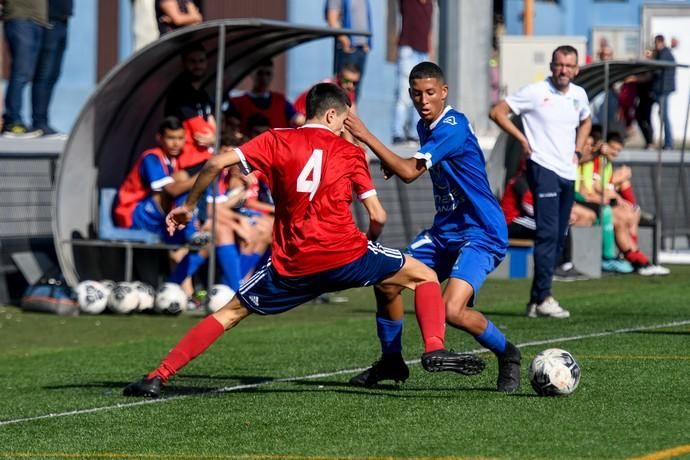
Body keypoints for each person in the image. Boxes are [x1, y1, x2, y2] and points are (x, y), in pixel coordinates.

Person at [123, 83, 485, 398]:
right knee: (422, 275)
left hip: (291, 263)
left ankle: (158, 377)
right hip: (348, 256)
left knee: (230, 312)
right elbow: (378, 215)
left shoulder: (276, 139)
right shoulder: (351, 153)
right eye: (345, 119)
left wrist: (187, 207)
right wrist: (368, 251)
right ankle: (434, 347)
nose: (347, 125)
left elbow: (216, 163)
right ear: (331, 115)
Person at [344, 62, 521, 393]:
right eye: (416, 94)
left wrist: (366, 136)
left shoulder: (453, 124)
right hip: (445, 232)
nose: (423, 100)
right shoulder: (427, 125)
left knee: (453, 310)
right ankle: (392, 361)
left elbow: (412, 172)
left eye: (429, 93)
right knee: (386, 282)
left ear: (444, 92)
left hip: (481, 232)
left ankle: (508, 354)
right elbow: (418, 164)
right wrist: (395, 164)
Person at [490, 45, 591, 319]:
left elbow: (586, 120)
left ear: (576, 69)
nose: (564, 70)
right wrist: (521, 139)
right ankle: (545, 297)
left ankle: (536, 300)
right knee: (547, 233)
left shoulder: (579, 95)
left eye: (569, 66)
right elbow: (497, 112)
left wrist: (579, 150)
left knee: (559, 233)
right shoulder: (535, 92)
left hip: (567, 171)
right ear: (551, 66)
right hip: (542, 166)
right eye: (559, 65)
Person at [114, 116, 198, 244]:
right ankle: (191, 234)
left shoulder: (176, 159)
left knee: (185, 184)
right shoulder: (151, 157)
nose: (176, 143)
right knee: (182, 190)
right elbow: (171, 191)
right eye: (171, 138)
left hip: (158, 215)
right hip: (133, 213)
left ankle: (189, 235)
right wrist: (201, 178)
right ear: (159, 138)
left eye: (180, 138)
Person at [2, 0, 72, 138]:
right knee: (21, 73)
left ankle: (37, 123)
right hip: (21, 17)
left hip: (39, 19)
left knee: (30, 73)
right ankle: (13, 122)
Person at [164, 43, 216, 171]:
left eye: (201, 61)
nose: (197, 66)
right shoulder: (179, 92)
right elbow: (202, 134)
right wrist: (217, 137)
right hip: (186, 162)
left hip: (204, 158)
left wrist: (216, 137)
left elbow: (214, 125)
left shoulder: (202, 93)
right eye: (192, 62)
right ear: (183, 64)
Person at [226, 59, 305, 136]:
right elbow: (229, 129)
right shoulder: (237, 103)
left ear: (272, 75)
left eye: (268, 74)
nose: (264, 78)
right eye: (260, 73)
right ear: (251, 74)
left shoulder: (280, 101)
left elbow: (299, 120)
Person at [392, 0, 433, 145]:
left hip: (423, 52)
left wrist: (430, 51)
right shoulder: (408, 2)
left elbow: (429, 30)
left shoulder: (430, 5)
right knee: (404, 93)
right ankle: (398, 133)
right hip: (408, 49)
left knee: (422, 95)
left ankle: (414, 134)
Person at [326, 0, 371, 101]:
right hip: (347, 49)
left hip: (361, 49)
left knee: (354, 93)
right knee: (342, 91)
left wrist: (366, 43)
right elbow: (332, 19)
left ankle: (350, 114)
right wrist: (344, 40)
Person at [651, 35, 676, 150]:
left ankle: (669, 144)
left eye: (657, 43)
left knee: (664, 116)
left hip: (663, 90)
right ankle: (667, 143)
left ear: (660, 42)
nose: (656, 46)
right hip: (662, 90)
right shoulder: (664, 53)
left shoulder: (664, 54)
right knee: (662, 115)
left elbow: (656, 71)